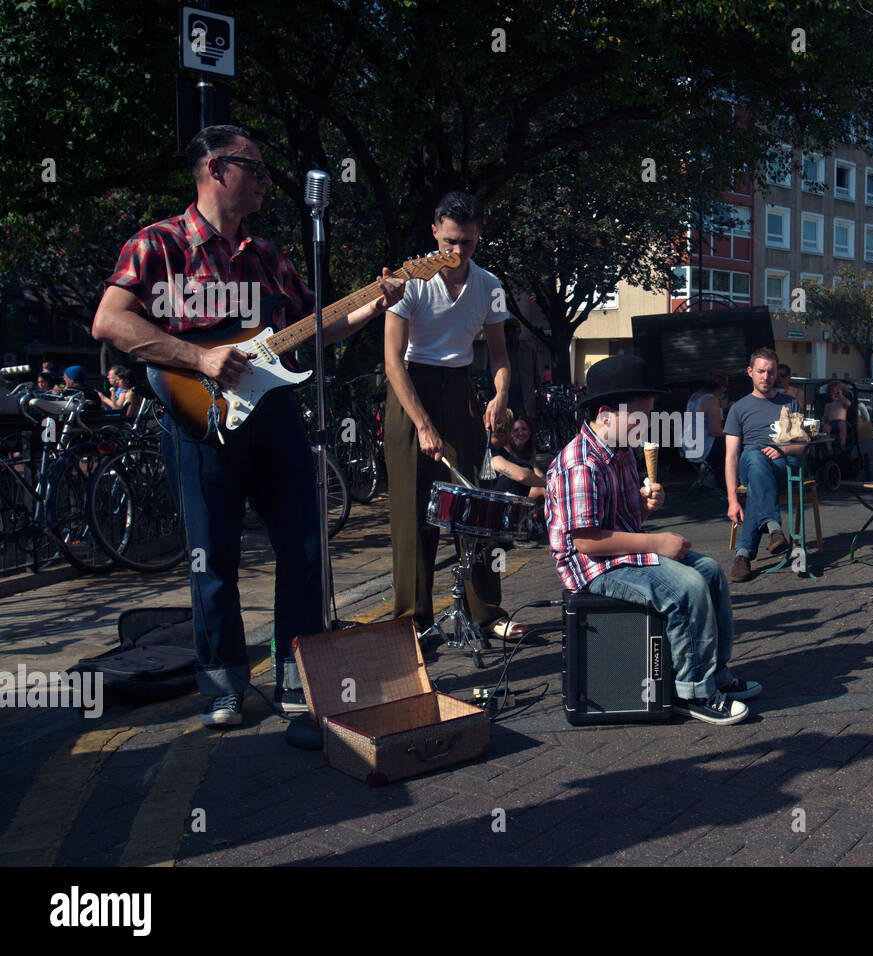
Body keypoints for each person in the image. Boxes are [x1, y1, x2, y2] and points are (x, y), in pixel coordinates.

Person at [92, 124, 404, 727]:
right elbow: (110, 323)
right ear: (215, 169)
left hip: (275, 416)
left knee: (305, 547)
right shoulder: (159, 244)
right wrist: (200, 357)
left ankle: (297, 677)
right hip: (199, 420)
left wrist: (372, 304)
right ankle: (222, 687)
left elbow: (315, 324)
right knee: (214, 560)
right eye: (254, 169)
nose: (266, 181)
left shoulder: (267, 255)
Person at [545, 355, 760, 725]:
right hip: (591, 567)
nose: (646, 426)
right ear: (606, 413)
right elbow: (587, 543)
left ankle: (715, 671)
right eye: (639, 417)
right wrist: (657, 542)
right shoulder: (580, 464)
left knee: (709, 571)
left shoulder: (622, 449)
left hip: (616, 553)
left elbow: (622, 523)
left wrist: (646, 510)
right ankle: (692, 691)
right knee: (687, 588)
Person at [384, 191, 523, 643]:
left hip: (459, 385)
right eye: (448, 241)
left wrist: (500, 395)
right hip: (411, 391)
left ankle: (485, 611)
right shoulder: (410, 278)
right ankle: (413, 621)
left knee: (473, 502)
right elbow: (392, 362)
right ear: (434, 233)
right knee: (412, 511)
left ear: (478, 234)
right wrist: (423, 425)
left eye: (465, 242)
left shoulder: (489, 284)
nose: (457, 252)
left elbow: (500, 355)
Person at [725, 347, 805, 582]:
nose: (765, 377)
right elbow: (731, 456)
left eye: (770, 372)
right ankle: (774, 528)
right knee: (753, 455)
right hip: (752, 465)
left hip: (784, 466)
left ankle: (743, 555)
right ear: (750, 372)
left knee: (756, 482)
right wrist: (731, 500)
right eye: (760, 371)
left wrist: (781, 448)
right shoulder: (738, 408)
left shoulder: (791, 403)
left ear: (776, 374)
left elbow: (801, 447)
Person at [683, 369, 728, 483]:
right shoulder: (711, 400)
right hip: (699, 449)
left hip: (687, 446)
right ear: (722, 388)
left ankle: (707, 477)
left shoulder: (695, 395)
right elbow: (716, 431)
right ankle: (727, 483)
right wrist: (736, 432)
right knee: (732, 443)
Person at [490, 414, 545, 501]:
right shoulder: (501, 449)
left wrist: (544, 480)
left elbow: (533, 467)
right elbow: (522, 476)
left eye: (524, 429)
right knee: (543, 490)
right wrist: (546, 483)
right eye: (515, 430)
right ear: (508, 432)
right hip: (505, 494)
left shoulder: (530, 448)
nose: (520, 433)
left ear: (530, 431)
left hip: (519, 488)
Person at [823, 379, 853, 451]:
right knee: (826, 428)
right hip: (830, 422)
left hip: (841, 421)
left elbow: (849, 404)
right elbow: (825, 415)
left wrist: (841, 396)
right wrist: (823, 421)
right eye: (833, 393)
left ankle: (842, 444)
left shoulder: (843, 403)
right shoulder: (828, 405)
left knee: (842, 425)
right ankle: (829, 448)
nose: (836, 394)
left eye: (838, 392)